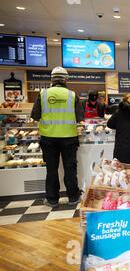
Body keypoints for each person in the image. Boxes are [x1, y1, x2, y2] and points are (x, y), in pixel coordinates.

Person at [31, 66, 85, 208]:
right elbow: (80, 118)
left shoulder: (42, 94)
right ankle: (73, 197)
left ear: (52, 79)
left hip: (48, 138)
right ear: (66, 80)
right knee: (70, 168)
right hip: (69, 137)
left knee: (52, 169)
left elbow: (35, 116)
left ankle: (52, 200)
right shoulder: (73, 95)